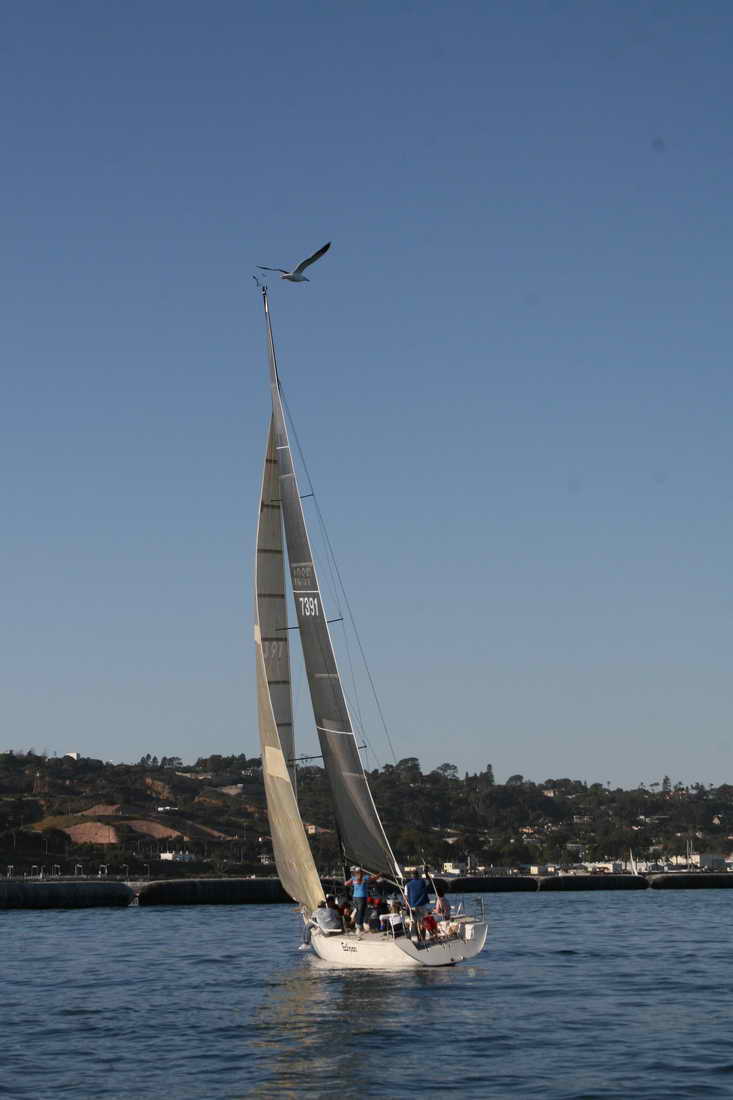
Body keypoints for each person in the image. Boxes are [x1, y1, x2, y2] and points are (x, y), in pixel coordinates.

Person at [344, 867, 383, 932]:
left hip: (355, 897)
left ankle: (358, 926)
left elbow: (346, 884)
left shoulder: (354, 878)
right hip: (362, 897)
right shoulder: (365, 877)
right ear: (362, 872)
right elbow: (374, 878)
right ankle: (359, 927)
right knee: (361, 912)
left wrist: (353, 884)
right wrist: (380, 874)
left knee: (358, 911)